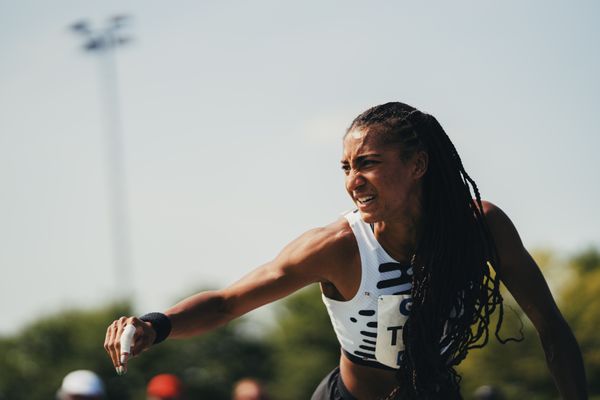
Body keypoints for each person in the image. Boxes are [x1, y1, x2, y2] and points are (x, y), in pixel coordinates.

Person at [104, 102, 588, 399]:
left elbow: (550, 326)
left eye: (369, 164)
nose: (353, 182)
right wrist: (154, 324)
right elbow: (230, 301)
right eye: (345, 167)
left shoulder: (479, 226)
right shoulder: (337, 247)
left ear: (418, 164)